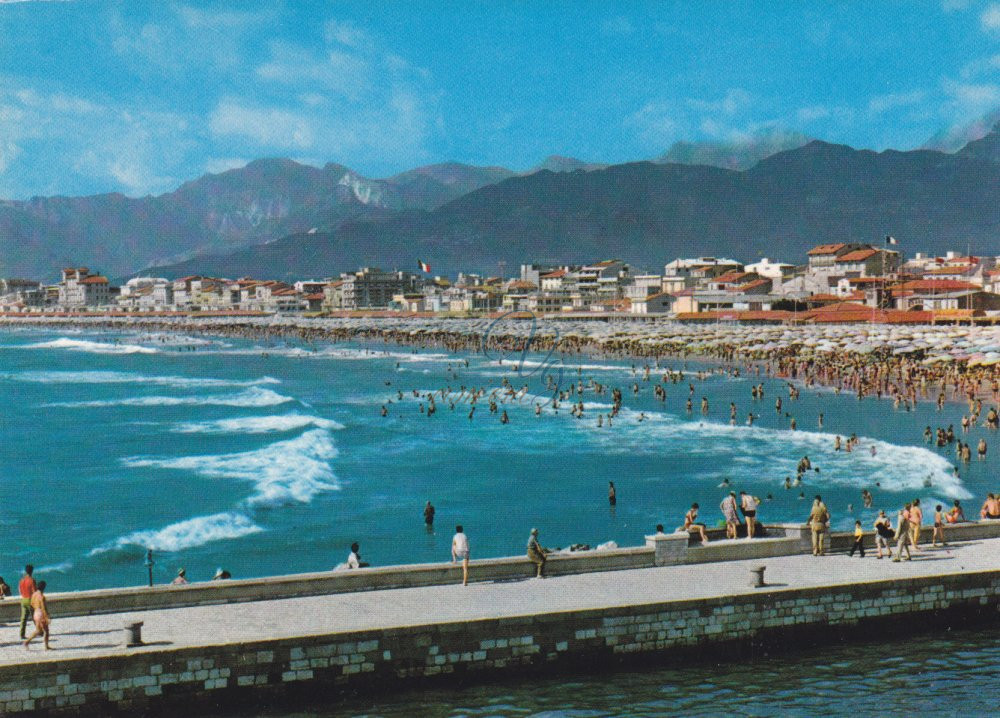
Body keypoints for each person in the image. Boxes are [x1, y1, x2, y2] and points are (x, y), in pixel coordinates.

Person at [22, 581, 50, 650]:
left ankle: (27, 642)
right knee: (46, 631)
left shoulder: (34, 594)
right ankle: (46, 646)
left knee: (38, 631)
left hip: (36, 613)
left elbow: (31, 604)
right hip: (41, 613)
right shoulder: (42, 596)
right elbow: (43, 608)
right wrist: (47, 617)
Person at [18, 565, 36, 640]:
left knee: (23, 618)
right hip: (30, 599)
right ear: (32, 571)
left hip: (23, 599)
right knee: (35, 616)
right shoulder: (32, 580)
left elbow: (20, 591)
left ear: (26, 571)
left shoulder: (21, 580)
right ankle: (40, 631)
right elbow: (34, 592)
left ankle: (22, 634)